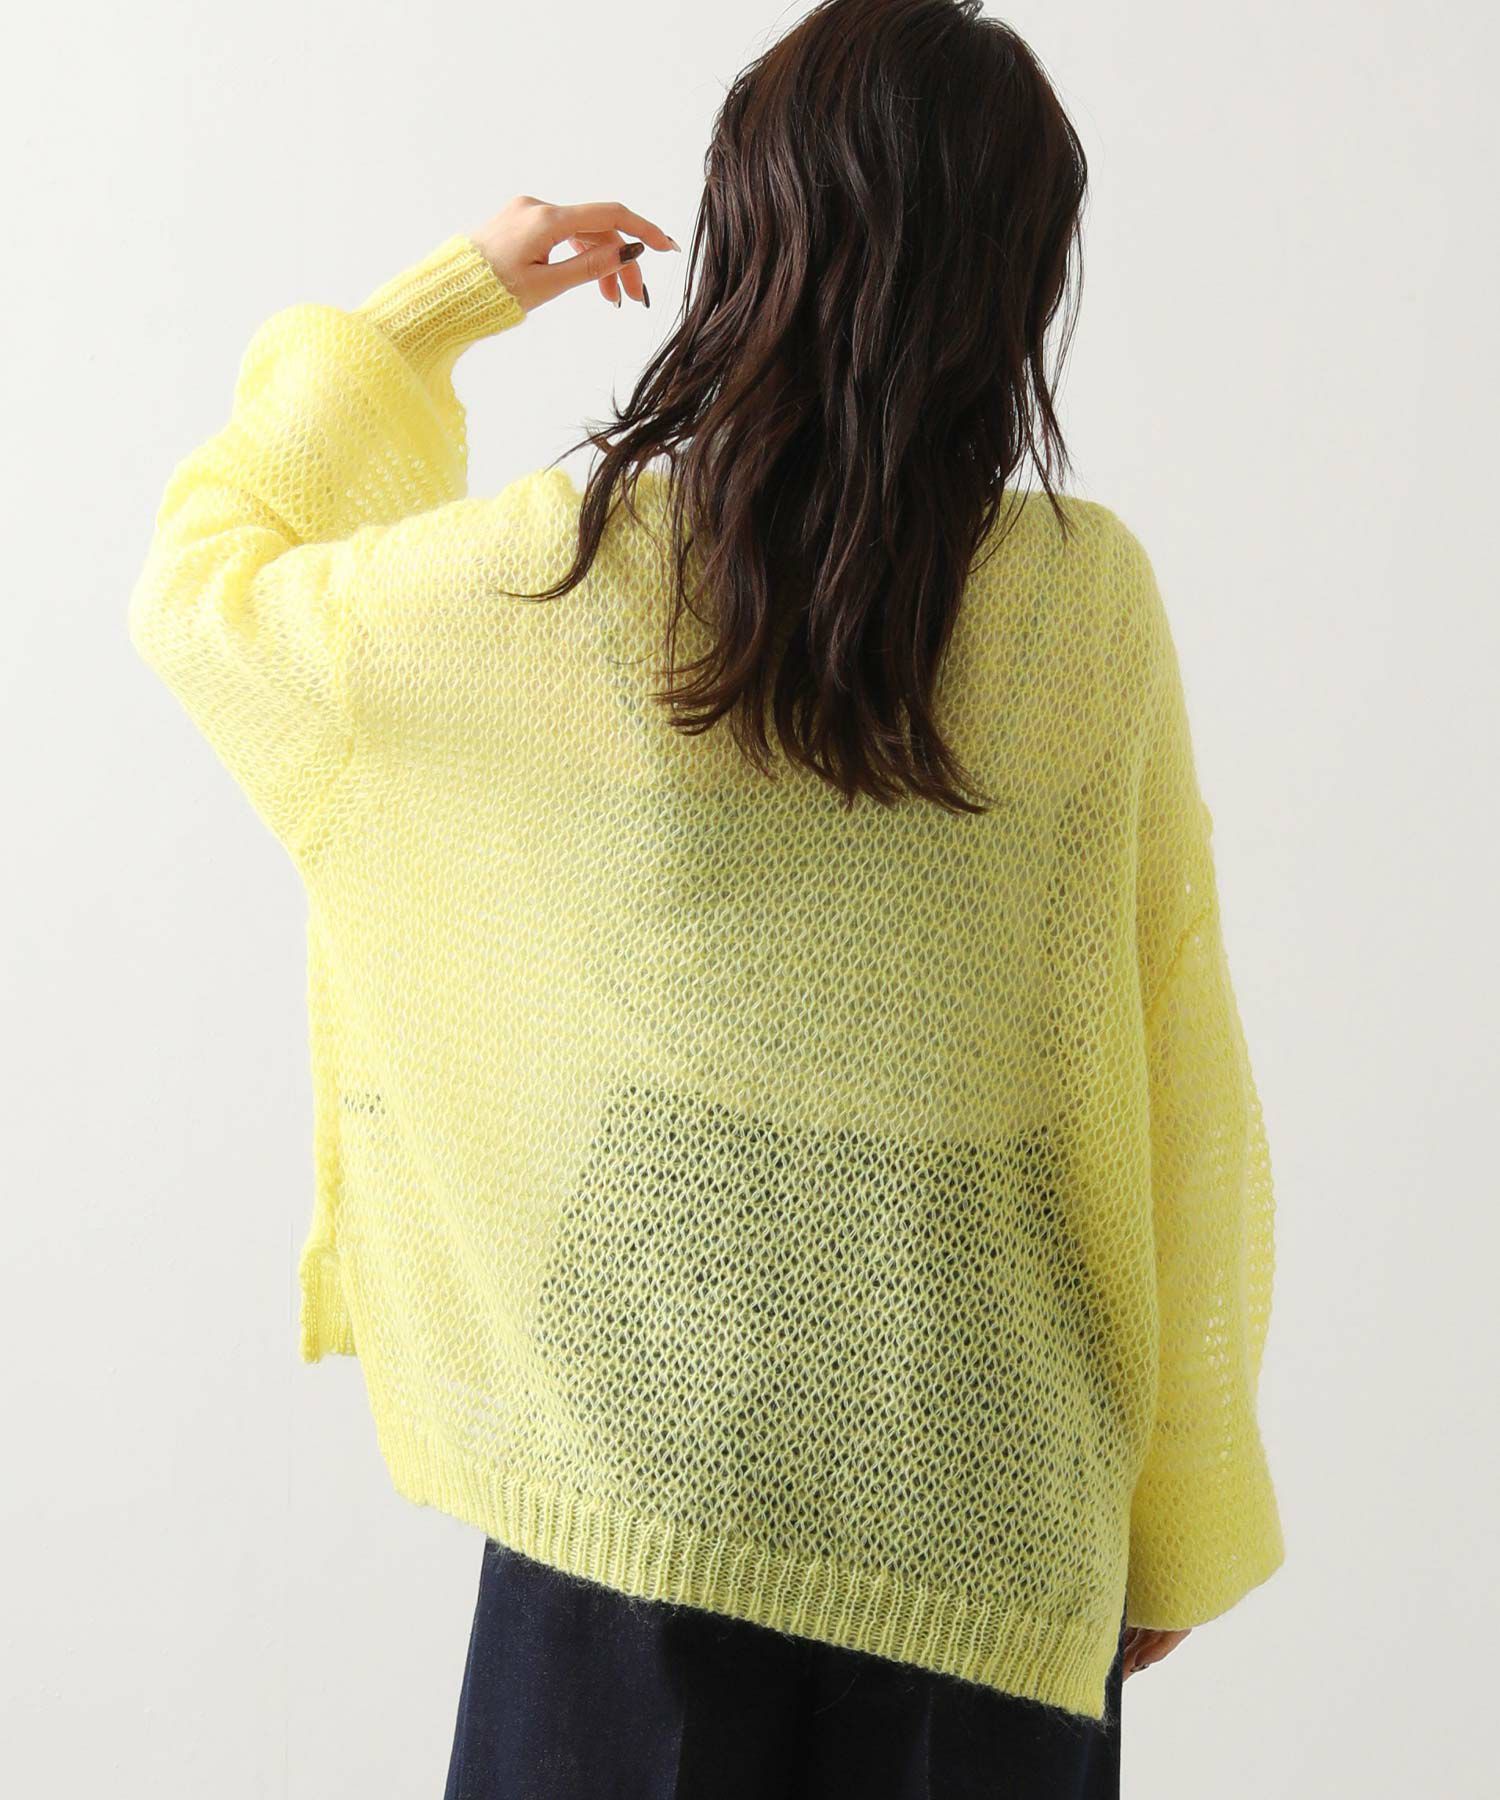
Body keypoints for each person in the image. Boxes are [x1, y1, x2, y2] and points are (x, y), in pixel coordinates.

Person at [127, 1, 1283, 1793]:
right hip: (981, 1436)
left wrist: (446, 302)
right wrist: (1183, 1491)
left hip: (644, 1412)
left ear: (754, 237)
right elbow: (1168, 1044)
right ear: (1015, 281)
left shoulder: (585, 572)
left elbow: (210, 592)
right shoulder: (1084, 601)